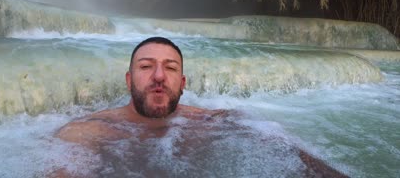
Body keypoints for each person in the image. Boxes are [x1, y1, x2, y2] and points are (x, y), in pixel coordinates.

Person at [54, 37, 348, 177]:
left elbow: (284, 149)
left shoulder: (211, 121)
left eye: (169, 68)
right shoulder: (90, 130)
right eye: (146, 67)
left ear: (182, 83)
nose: (158, 76)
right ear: (129, 79)